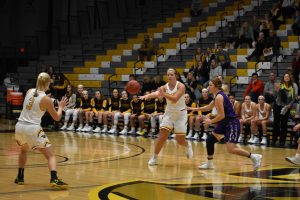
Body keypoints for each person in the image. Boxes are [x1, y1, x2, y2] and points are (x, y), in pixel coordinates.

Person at [188, 77, 262, 171]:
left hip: (231, 124)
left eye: (210, 85)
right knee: (210, 140)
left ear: (216, 86)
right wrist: (192, 109)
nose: (208, 87)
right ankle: (210, 163)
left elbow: (221, 115)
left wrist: (210, 121)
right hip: (224, 123)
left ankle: (254, 157)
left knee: (231, 149)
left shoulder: (219, 96)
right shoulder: (216, 95)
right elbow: (207, 108)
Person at [14, 72, 68, 189]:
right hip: (32, 128)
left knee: (23, 151)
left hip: (20, 126)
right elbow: (57, 118)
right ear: (47, 82)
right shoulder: (46, 100)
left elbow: (34, 101)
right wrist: (61, 107)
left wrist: (46, 101)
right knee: (51, 156)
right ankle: (54, 179)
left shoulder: (29, 91)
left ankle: (20, 177)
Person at [140, 68, 193, 166]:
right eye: (168, 75)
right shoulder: (165, 86)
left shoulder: (181, 86)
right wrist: (147, 96)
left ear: (176, 75)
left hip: (180, 115)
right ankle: (155, 158)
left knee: (180, 140)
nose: (169, 76)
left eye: (171, 74)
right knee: (162, 137)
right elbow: (157, 93)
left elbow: (175, 99)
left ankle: (187, 145)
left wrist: (163, 94)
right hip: (169, 114)